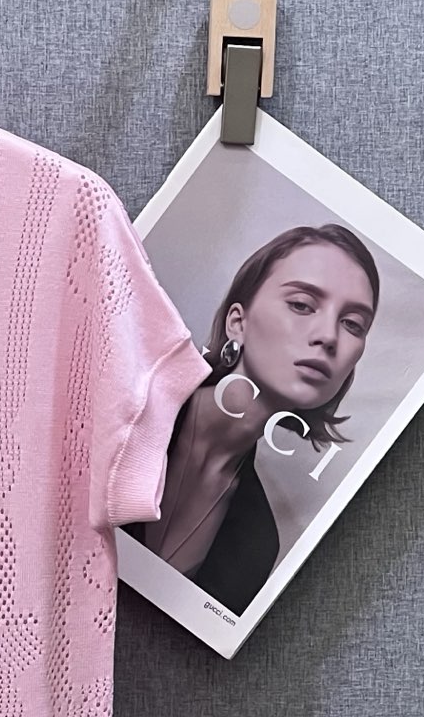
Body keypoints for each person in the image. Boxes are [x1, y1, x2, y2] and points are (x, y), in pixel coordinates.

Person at [123, 223, 380, 615]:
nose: (329, 336)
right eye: (302, 305)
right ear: (238, 323)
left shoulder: (258, 544)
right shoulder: (129, 401)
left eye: (353, 324)